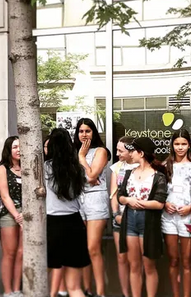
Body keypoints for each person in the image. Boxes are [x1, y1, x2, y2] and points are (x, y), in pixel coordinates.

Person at [118, 137, 168, 297]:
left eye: (133, 151)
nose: (130, 154)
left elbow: (159, 203)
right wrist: (128, 200)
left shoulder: (158, 176)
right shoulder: (128, 173)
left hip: (149, 221)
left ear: (141, 153)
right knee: (134, 265)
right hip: (130, 220)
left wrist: (139, 203)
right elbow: (120, 196)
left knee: (149, 266)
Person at [45, 127, 91, 297]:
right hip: (74, 223)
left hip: (53, 224)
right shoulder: (77, 168)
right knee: (74, 287)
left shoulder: (45, 167)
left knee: (45, 279)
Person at [73, 118, 110, 297]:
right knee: (82, 249)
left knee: (93, 248)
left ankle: (101, 292)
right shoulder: (73, 152)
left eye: (87, 131)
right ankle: (87, 290)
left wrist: (82, 158)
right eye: (81, 131)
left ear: (94, 132)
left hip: (96, 200)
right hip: (77, 200)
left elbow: (92, 176)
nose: (84, 134)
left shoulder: (100, 151)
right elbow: (74, 178)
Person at [162, 130, 191, 297]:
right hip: (168, 218)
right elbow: (158, 191)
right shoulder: (165, 165)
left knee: (187, 261)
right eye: (177, 144)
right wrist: (165, 204)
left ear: (189, 145)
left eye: (183, 144)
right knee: (173, 259)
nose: (180, 147)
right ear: (172, 145)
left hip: (188, 217)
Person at [0, 136, 23, 297]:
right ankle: (8, 291)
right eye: (15, 147)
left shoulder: (28, 167)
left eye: (21, 146)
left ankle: (17, 289)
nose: (19, 150)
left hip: (26, 212)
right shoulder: (3, 168)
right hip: (9, 212)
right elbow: (5, 196)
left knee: (21, 252)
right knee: (9, 253)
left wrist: (24, 214)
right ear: (8, 150)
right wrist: (17, 215)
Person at [110, 136, 139, 297]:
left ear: (131, 151)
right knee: (121, 258)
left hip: (137, 217)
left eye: (120, 150)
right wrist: (116, 215)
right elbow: (113, 194)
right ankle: (125, 294)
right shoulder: (117, 167)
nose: (117, 153)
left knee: (136, 260)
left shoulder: (141, 166)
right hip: (120, 218)